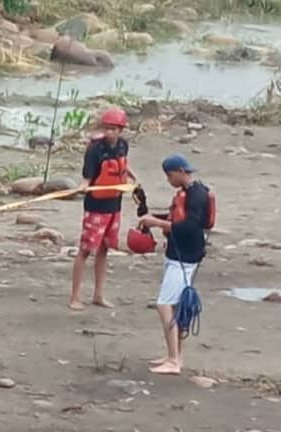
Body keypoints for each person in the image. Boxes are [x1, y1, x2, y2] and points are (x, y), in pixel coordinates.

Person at [137, 154, 214, 376]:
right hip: (178, 253)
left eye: (170, 176)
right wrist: (155, 217)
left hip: (186, 257)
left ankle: (173, 360)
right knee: (177, 307)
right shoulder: (188, 193)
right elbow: (179, 218)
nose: (169, 180)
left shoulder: (197, 195)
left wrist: (158, 223)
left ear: (181, 171)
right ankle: (175, 355)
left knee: (164, 304)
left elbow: (190, 226)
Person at [69, 107, 138, 310]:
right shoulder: (95, 150)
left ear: (121, 130)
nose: (110, 132)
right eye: (107, 128)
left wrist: (133, 177)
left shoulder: (123, 145)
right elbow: (87, 178)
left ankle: (98, 295)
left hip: (114, 205)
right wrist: (82, 187)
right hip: (96, 207)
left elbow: (122, 165)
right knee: (85, 250)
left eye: (114, 129)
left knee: (104, 249)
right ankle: (75, 297)